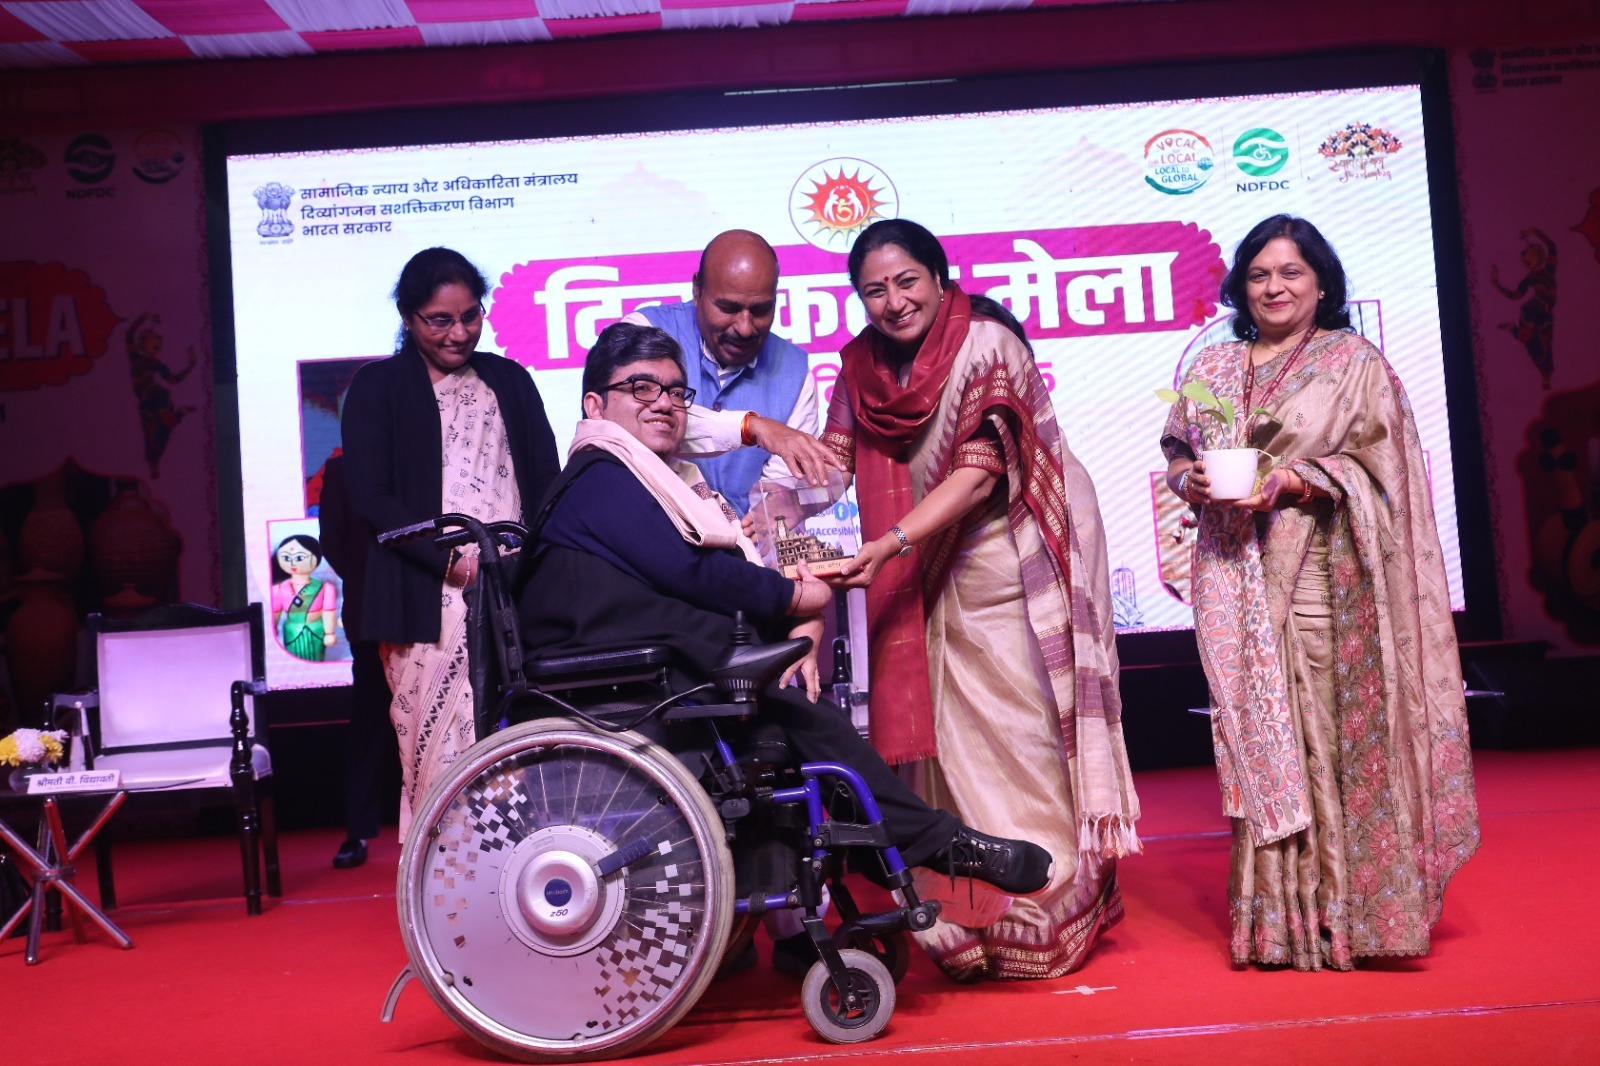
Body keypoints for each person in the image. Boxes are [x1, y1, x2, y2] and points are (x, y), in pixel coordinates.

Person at [518, 321, 1053, 908]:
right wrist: (793, 600)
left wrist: (790, 609)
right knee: (799, 722)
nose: (664, 404)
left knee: (793, 722)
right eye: (641, 389)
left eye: (675, 392)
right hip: (614, 678)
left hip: (649, 663)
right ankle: (930, 848)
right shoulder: (603, 478)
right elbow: (695, 574)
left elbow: (700, 575)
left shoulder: (643, 477)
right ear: (595, 404)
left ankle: (895, 855)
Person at [818, 219, 1140, 982]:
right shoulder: (860, 366)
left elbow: (980, 470)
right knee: (951, 747)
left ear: (938, 277)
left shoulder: (988, 343)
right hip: (920, 566)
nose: (893, 302)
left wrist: (892, 543)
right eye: (873, 290)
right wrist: (769, 503)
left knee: (1019, 731)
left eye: (907, 282)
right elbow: (831, 462)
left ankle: (1049, 892)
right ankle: (976, 911)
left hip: (1004, 561)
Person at [1160, 214, 1480, 971]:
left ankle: (1345, 915)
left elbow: (1388, 472)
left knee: (1322, 741)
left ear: (1323, 283)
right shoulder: (1212, 363)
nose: (1274, 287)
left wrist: (1297, 481)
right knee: (1260, 749)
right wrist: (1190, 480)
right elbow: (1177, 454)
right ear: (1240, 285)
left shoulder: (1353, 363)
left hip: (1321, 583)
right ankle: (1278, 924)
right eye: (1260, 274)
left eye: (1291, 273)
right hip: (1233, 581)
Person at [342, 247, 560, 837]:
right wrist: (453, 563)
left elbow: (545, 480)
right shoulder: (378, 387)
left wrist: (525, 558)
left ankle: (524, 886)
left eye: (471, 315)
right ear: (408, 317)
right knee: (433, 749)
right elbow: (371, 497)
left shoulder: (509, 380)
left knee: (515, 742)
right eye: (440, 320)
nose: (459, 332)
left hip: (512, 592)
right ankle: (444, 894)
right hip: (424, 601)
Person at [623, 229, 842, 514]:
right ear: (697, 289)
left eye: (761, 310)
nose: (745, 327)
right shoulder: (643, 331)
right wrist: (751, 427)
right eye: (728, 308)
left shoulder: (796, 374)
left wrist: (765, 520)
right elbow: (633, 423)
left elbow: (775, 498)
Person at [317, 453, 394, 869]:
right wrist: (371, 582)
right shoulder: (344, 470)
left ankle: (446, 826)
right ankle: (358, 831)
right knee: (368, 723)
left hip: (429, 606)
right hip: (369, 610)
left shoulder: (417, 455)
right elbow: (333, 543)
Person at [269, 534, 337, 662]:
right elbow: (276, 611)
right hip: (291, 631)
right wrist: (273, 627)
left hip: (316, 631)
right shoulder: (278, 589)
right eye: (286, 557)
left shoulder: (325, 588)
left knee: (316, 660)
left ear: (316, 558)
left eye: (299, 557)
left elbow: (328, 612)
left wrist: (329, 633)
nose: (293, 562)